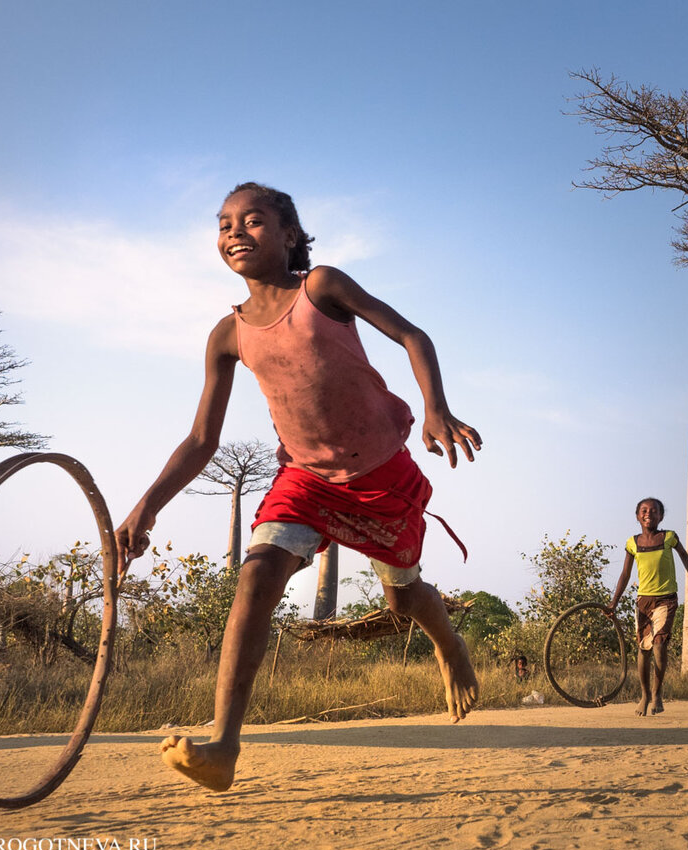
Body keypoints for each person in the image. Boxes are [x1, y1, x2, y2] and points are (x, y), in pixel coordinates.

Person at [115, 182, 482, 792]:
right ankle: (224, 746)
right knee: (256, 575)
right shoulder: (227, 335)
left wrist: (436, 409)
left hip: (381, 477)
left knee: (404, 600)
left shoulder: (322, 287)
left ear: (289, 235)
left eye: (253, 220)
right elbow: (202, 440)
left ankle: (449, 642)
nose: (235, 231)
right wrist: (145, 509)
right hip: (305, 480)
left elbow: (414, 337)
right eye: (225, 222)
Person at [606, 497, 688, 716]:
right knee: (643, 649)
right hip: (643, 602)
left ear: (661, 516)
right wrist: (613, 603)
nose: (649, 514)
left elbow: (684, 556)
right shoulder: (633, 542)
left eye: (654, 511)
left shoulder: (668, 537)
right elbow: (625, 574)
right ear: (638, 515)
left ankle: (657, 693)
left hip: (666, 599)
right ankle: (645, 694)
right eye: (644, 510)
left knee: (659, 644)